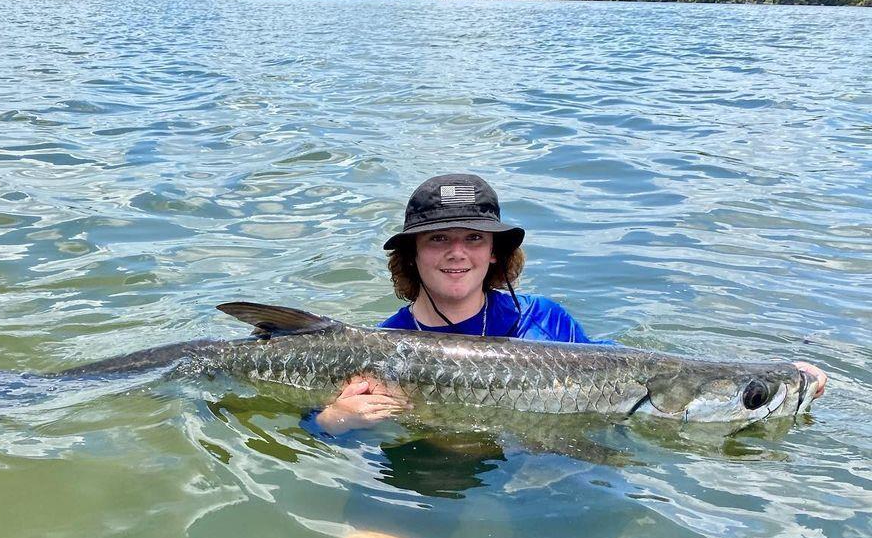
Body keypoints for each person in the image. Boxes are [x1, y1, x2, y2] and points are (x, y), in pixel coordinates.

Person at [315, 173, 828, 436]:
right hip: (428, 472)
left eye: (474, 238)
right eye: (437, 240)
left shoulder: (547, 320)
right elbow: (317, 432)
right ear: (411, 254)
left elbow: (616, 361)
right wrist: (336, 420)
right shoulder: (380, 344)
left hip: (549, 469)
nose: (457, 252)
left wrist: (783, 375)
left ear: (496, 254)